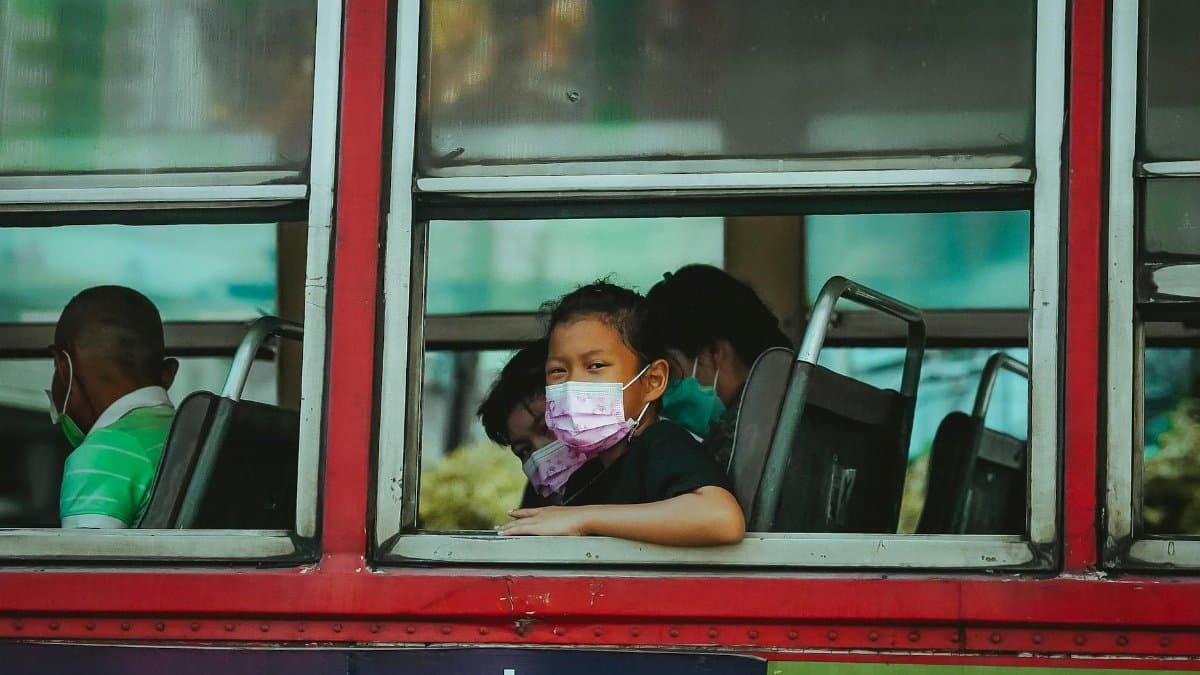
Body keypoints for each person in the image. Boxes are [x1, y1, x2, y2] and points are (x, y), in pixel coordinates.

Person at [498, 281, 745, 546]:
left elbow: (721, 518)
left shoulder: (660, 442)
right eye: (558, 370)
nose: (573, 386)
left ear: (653, 381)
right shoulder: (590, 473)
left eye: (595, 365)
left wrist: (582, 520)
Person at [48, 286, 179, 528]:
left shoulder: (100, 456)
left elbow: (86, 563)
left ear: (64, 368)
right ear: (168, 374)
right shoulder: (189, 436)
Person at [641, 264, 792, 469]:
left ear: (715, 352)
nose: (664, 392)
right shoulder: (790, 409)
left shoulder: (743, 444)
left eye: (672, 372)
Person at [477, 339, 557, 508]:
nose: (540, 453)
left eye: (547, 427)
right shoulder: (539, 499)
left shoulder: (626, 478)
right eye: (524, 450)